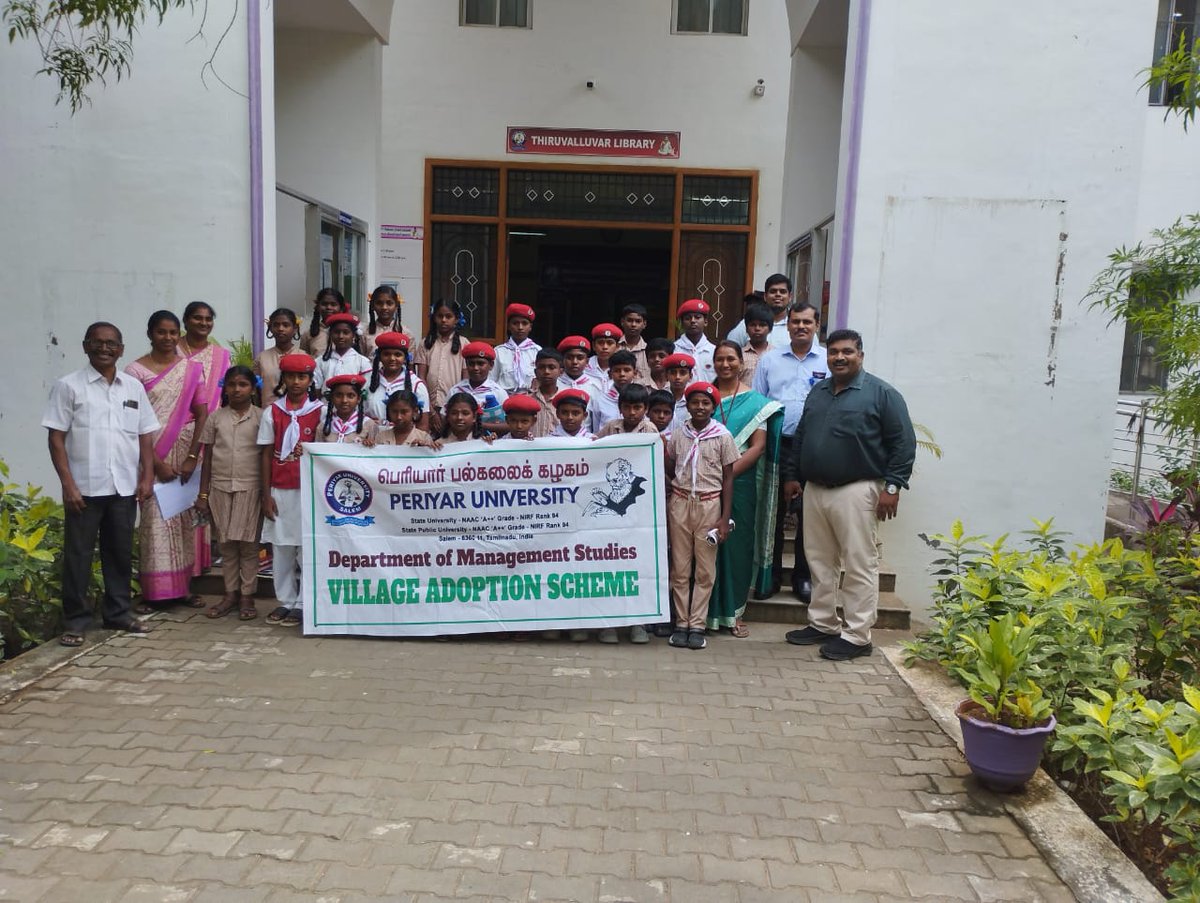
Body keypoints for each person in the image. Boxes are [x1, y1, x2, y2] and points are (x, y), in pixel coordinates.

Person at [781, 329, 916, 661]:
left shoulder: (882, 394)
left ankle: (857, 635)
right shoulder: (819, 392)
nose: (839, 358)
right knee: (819, 560)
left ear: (861, 355)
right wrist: (792, 475)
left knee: (859, 563)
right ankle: (823, 622)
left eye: (847, 352)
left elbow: (903, 443)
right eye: (833, 353)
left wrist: (893, 486)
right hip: (815, 490)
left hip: (857, 489)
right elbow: (802, 436)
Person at [43, 322, 158, 646]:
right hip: (85, 489)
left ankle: (118, 613)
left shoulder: (132, 388)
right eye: (97, 342)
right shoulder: (69, 386)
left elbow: (145, 435)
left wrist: (147, 476)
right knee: (79, 556)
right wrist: (68, 485)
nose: (104, 348)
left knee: (120, 553)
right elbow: (56, 438)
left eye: (111, 344)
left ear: (121, 349)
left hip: (123, 486)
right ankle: (76, 621)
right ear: (85, 346)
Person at [125, 311, 210, 611]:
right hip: (149, 455)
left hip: (185, 452)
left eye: (174, 332)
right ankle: (154, 592)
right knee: (153, 522)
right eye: (162, 332)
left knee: (183, 521)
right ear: (150, 334)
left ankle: (183, 588)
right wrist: (155, 464)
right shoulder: (134, 372)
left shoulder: (190, 369)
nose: (169, 338)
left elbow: (202, 413)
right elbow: (131, 421)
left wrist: (191, 457)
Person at [752, 302, 828, 601]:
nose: (800, 327)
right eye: (795, 321)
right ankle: (769, 576)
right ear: (788, 325)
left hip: (814, 446)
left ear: (816, 325)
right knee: (772, 513)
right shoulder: (770, 361)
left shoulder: (826, 359)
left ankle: (803, 577)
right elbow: (758, 405)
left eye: (806, 322)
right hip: (778, 443)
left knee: (809, 514)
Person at [708, 341, 784, 638]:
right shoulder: (703, 396)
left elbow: (758, 446)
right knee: (705, 549)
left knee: (737, 548)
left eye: (731, 359)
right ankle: (704, 612)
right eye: (719, 359)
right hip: (700, 483)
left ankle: (734, 612)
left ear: (742, 363)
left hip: (739, 483)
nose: (725, 364)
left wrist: (723, 476)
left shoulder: (757, 403)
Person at [663, 382, 738, 650]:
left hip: (709, 505)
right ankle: (681, 622)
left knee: (705, 568)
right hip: (681, 503)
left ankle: (698, 623)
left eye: (705, 403)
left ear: (713, 407)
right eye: (694, 402)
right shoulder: (678, 434)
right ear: (688, 405)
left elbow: (728, 478)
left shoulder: (722, 436)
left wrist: (724, 517)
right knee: (680, 567)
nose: (699, 407)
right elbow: (671, 464)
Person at [258, 353, 323, 628]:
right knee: (282, 547)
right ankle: (285, 600)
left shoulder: (320, 411)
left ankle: (304, 603)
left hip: (310, 489)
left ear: (311, 380)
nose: (296, 382)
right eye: (291, 376)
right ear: (282, 378)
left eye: (302, 377)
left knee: (307, 548)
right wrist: (265, 494)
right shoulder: (272, 412)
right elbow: (264, 454)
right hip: (281, 488)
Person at [195, 365, 263, 621]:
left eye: (243, 384)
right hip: (220, 487)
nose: (237, 389)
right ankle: (230, 594)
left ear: (253, 387)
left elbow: (266, 456)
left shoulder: (261, 417)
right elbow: (208, 457)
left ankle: (247, 595)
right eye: (232, 384)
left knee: (247, 544)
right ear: (225, 387)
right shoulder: (216, 418)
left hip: (250, 486)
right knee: (226, 544)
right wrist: (203, 494)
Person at [414, 299, 467, 429]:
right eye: (440, 316)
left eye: (448, 316)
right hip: (428, 406)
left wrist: (448, 410)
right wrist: (431, 411)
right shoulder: (425, 344)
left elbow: (465, 381)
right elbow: (421, 378)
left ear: (456, 319)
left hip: (454, 408)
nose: (444, 320)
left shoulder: (464, 344)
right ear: (434, 318)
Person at [365, 331, 430, 430]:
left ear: (405, 358)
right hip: (372, 441)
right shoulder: (367, 381)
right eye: (386, 354)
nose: (392, 358)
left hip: (404, 442)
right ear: (379, 357)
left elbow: (423, 425)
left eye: (398, 355)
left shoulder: (416, 385)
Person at [448, 341, 509, 433]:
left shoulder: (498, 392)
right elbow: (445, 418)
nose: (476, 368)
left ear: (491, 365)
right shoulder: (456, 390)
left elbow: (508, 425)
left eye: (480, 364)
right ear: (466, 365)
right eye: (471, 364)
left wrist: (478, 424)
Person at [725, 274, 793, 349]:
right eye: (773, 291)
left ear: (790, 297)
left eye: (782, 292)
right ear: (765, 296)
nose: (778, 294)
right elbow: (729, 350)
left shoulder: (795, 324)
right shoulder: (748, 324)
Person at [314, 312, 371, 392]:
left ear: (354, 335)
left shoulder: (362, 362)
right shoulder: (320, 361)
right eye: (336, 332)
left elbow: (365, 390)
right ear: (330, 335)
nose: (341, 336)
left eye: (346, 332)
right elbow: (317, 389)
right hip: (326, 404)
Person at [317, 373, 378, 444]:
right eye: (338, 396)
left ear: (358, 399)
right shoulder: (324, 425)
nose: (344, 400)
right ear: (332, 398)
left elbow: (376, 452)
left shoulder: (369, 425)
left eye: (351, 396)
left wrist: (369, 444)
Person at [255, 307, 299, 404]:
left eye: (285, 325)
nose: (280, 329)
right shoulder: (261, 358)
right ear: (270, 328)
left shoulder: (304, 356)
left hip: (297, 415)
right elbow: (255, 391)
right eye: (276, 325)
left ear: (295, 329)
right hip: (268, 414)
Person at [493, 303, 540, 392]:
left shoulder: (537, 351)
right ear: (509, 326)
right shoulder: (498, 352)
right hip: (504, 397)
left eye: (524, 323)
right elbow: (491, 380)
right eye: (515, 323)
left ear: (530, 327)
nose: (520, 327)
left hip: (530, 397)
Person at [590, 351, 642, 432]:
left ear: (635, 373)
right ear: (610, 374)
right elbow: (596, 431)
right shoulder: (600, 400)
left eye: (627, 370)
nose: (622, 374)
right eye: (617, 370)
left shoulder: (642, 397)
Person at [361, 284, 414, 358]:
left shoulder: (406, 333)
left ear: (396, 306)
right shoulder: (365, 333)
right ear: (373, 306)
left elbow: (410, 364)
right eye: (379, 303)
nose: (384, 307)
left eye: (389, 303)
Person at [673, 299, 716, 382]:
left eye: (697, 317)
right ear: (681, 323)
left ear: (705, 322)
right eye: (687, 318)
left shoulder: (714, 351)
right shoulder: (673, 350)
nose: (693, 321)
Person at [300, 287, 350, 358]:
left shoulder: (351, 333)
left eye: (333, 304)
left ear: (341, 308)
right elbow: (304, 359)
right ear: (317, 307)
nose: (328, 307)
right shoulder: (308, 334)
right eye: (324, 304)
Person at [529, 349, 564, 438]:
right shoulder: (527, 400)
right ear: (535, 372)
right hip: (532, 450)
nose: (546, 372)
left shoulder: (566, 401)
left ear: (561, 372)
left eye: (551, 367)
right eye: (541, 367)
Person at [738, 302, 774, 386]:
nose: (757, 328)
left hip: (767, 399)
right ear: (746, 329)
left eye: (762, 325)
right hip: (744, 398)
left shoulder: (776, 355)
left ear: (770, 329)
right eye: (753, 325)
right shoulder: (739, 355)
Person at [618, 303, 652, 381]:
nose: (633, 324)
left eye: (638, 321)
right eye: (629, 320)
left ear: (644, 324)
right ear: (622, 322)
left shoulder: (649, 352)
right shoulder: (614, 348)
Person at [661, 352, 695, 426]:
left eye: (682, 373)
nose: (677, 377)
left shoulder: (694, 399)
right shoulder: (659, 397)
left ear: (690, 376)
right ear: (666, 376)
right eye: (673, 373)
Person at [585, 323, 622, 389]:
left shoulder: (622, 369)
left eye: (610, 343)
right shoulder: (584, 366)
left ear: (617, 347)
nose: (605, 347)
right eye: (600, 343)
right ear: (593, 346)